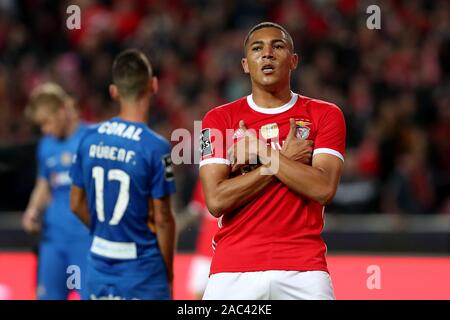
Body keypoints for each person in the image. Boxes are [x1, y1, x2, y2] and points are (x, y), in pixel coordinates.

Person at [199, 22, 346, 300]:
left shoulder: (325, 114)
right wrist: (283, 160)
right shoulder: (217, 120)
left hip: (304, 270)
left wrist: (262, 152)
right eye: (257, 48)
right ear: (245, 64)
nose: (267, 54)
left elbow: (323, 188)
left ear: (293, 61)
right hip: (233, 271)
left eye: (277, 46)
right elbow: (216, 200)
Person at [69, 49, 176, 300]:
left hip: (99, 263)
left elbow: (75, 204)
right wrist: (168, 271)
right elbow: (162, 217)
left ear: (114, 91)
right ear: (153, 85)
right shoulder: (155, 147)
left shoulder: (87, 138)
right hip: (143, 269)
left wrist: (107, 233)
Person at [22, 83, 91, 300]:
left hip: (85, 239)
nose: (45, 130)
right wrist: (32, 209)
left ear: (62, 110)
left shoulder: (92, 139)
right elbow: (44, 184)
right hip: (53, 240)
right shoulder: (46, 146)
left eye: (47, 122)